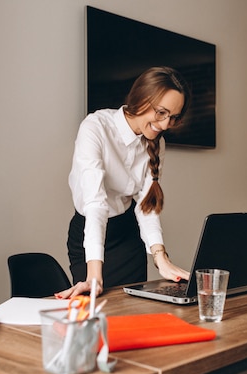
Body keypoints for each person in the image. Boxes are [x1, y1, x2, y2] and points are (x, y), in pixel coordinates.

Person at [56, 66, 192, 299]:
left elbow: (146, 205)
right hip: (89, 234)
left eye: (173, 117)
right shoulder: (96, 127)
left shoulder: (156, 143)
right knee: (95, 309)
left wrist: (161, 258)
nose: (166, 124)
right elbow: (96, 204)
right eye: (161, 113)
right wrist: (94, 274)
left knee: (132, 310)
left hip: (127, 236)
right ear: (141, 99)